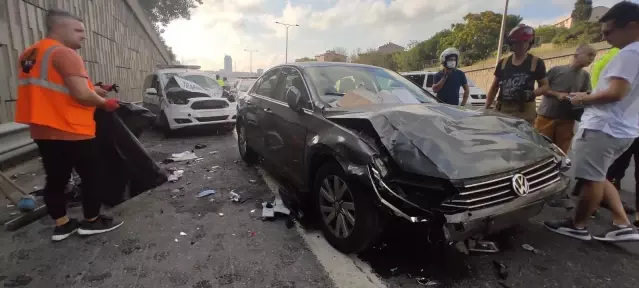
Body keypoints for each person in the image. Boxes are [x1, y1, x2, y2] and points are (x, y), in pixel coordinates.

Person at [15, 9, 123, 242]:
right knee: (93, 176)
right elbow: (81, 95)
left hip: (43, 129)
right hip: (72, 129)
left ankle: (62, 225)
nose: (83, 36)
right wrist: (105, 103)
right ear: (59, 28)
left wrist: (94, 88)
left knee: (56, 179)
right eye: (78, 30)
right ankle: (92, 222)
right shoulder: (64, 53)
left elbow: (54, 89)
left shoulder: (30, 54)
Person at [544, 1, 639, 241]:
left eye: (608, 32)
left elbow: (615, 93)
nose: (605, 38)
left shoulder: (629, 53)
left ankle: (578, 225)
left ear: (631, 26)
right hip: (623, 129)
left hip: (604, 128)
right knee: (599, 175)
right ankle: (621, 222)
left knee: (591, 179)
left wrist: (582, 100)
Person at [534, 44, 596, 153]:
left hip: (567, 120)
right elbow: (542, 89)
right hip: (546, 116)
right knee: (540, 149)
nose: (591, 59)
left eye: (594, 56)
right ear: (576, 55)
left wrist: (584, 95)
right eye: (589, 55)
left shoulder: (585, 75)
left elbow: (586, 94)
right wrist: (557, 94)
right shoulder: (556, 70)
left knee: (561, 152)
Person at [485, 24, 549, 124]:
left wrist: (532, 94)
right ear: (512, 44)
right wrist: (486, 107)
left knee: (522, 139)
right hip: (503, 111)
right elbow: (494, 87)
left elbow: (545, 86)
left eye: (525, 42)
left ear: (530, 42)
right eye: (519, 42)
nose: (523, 45)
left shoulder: (536, 62)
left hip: (525, 113)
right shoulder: (503, 63)